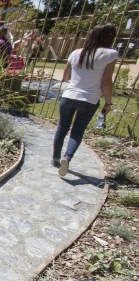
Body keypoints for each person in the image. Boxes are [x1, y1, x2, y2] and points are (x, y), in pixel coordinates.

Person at [52, 23, 118, 177]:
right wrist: (108, 103)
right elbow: (106, 82)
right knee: (77, 132)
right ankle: (67, 158)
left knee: (62, 128)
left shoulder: (76, 52)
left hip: (69, 96)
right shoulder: (110, 54)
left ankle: (55, 159)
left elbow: (65, 77)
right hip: (89, 99)